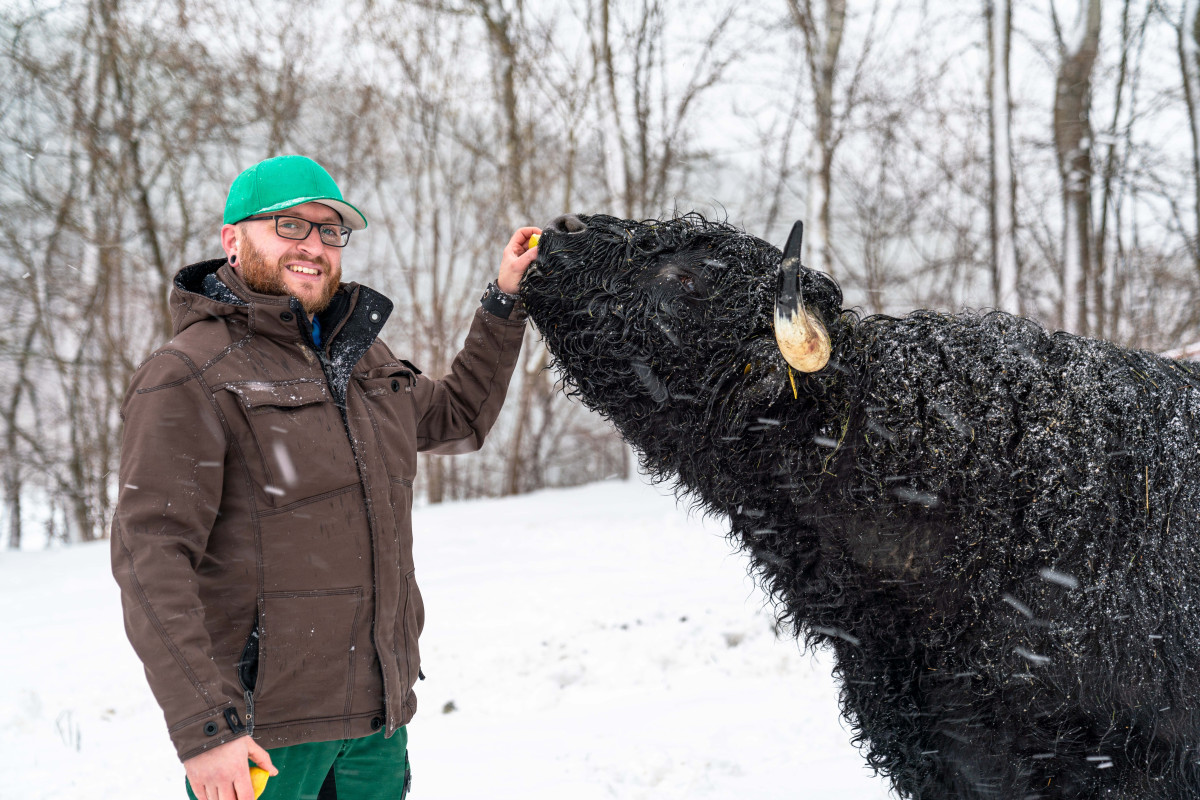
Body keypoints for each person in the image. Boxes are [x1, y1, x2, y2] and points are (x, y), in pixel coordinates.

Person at [111, 154, 539, 799]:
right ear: (233, 240)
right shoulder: (190, 373)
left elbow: (458, 417)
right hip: (265, 733)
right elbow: (152, 557)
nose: (313, 246)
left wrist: (505, 300)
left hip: (376, 718)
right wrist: (207, 731)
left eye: (329, 231)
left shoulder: (364, 359)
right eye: (289, 226)